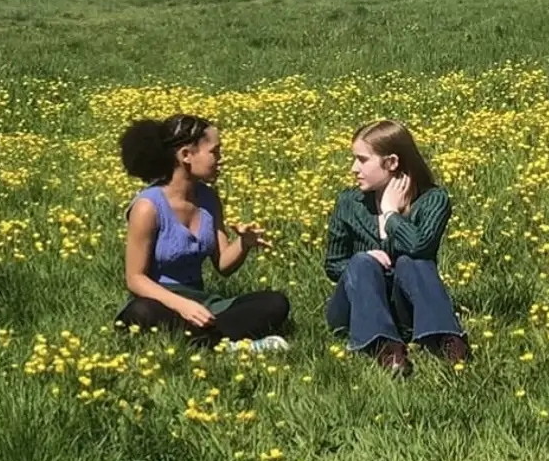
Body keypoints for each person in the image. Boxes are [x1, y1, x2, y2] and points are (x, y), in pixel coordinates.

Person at [117, 113, 292, 352]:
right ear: (186, 155)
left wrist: (243, 243)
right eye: (215, 152)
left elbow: (223, 265)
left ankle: (206, 341)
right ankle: (227, 344)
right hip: (160, 300)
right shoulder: (147, 207)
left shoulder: (209, 199)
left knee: (275, 303)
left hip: (203, 302)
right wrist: (182, 305)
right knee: (140, 313)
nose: (221, 160)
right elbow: (135, 279)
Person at [323, 118, 468, 377]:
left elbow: (420, 247)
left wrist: (391, 216)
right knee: (362, 262)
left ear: (391, 162)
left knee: (413, 260)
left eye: (362, 159)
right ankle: (385, 347)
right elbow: (333, 265)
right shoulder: (349, 202)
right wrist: (364, 259)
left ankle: (447, 340)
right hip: (355, 306)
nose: (354, 168)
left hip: (405, 310)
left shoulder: (433, 200)